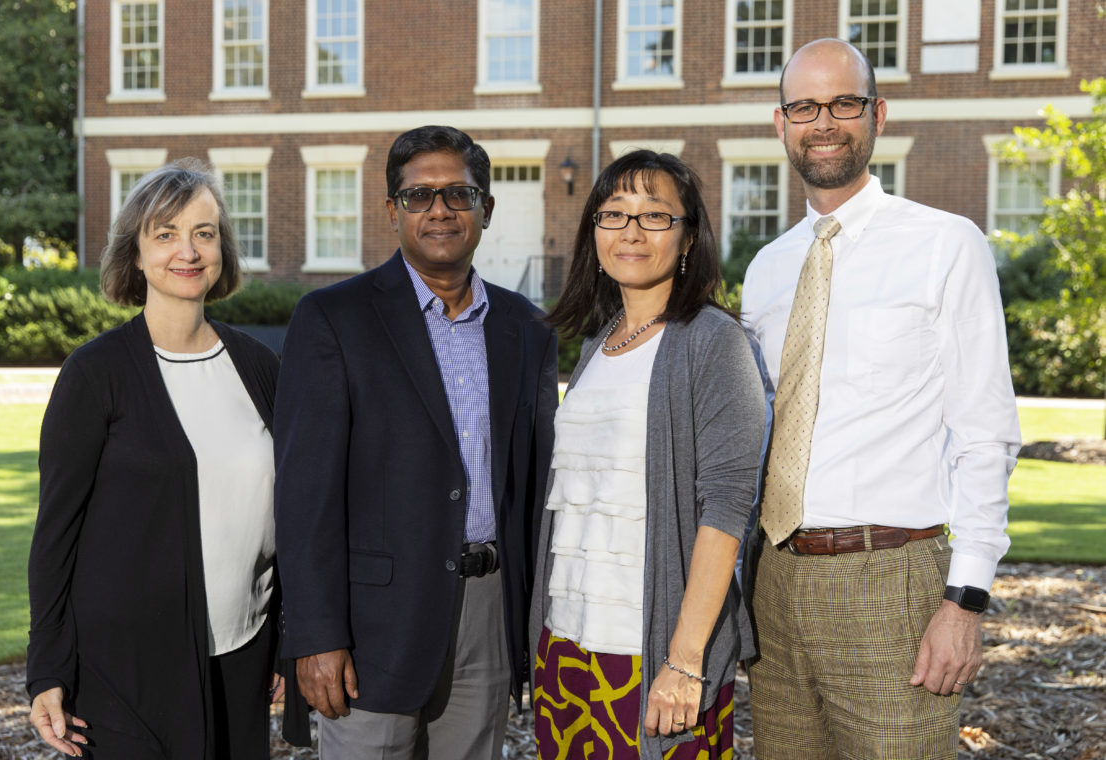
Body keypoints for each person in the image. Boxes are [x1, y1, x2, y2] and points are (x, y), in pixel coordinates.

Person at [741, 38, 1021, 759]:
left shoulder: (945, 244)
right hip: (773, 581)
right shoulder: (768, 270)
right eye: (805, 106)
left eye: (844, 103)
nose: (824, 122)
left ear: (878, 115)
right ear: (781, 124)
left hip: (890, 580)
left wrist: (965, 601)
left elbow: (985, 433)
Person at [273, 125, 558, 759]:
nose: (439, 210)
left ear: (485, 207)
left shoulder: (528, 329)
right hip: (372, 624)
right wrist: (316, 634)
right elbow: (303, 493)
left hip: (487, 612)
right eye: (418, 196)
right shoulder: (333, 319)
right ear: (391, 211)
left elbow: (536, 484)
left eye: (458, 194)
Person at [26, 158, 284, 759]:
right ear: (135, 256)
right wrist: (47, 668)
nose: (187, 251)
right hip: (126, 672)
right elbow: (56, 534)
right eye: (164, 234)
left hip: (242, 654)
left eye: (204, 232)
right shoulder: (96, 374)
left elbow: (293, 511)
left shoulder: (260, 368)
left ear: (222, 248)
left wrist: (287, 636)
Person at [529, 150, 767, 759]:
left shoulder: (714, 342)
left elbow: (728, 507)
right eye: (614, 214)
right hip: (568, 645)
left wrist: (685, 663)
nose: (631, 231)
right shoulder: (598, 344)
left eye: (655, 215)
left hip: (652, 651)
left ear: (688, 237)